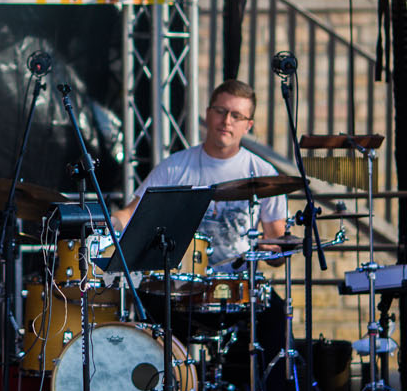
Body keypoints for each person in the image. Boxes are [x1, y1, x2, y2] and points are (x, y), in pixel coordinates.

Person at [111, 79, 288, 267]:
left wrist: (274, 251)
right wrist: (106, 224)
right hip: (182, 279)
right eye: (220, 111)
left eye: (236, 116)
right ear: (208, 113)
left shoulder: (263, 173)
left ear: (248, 126)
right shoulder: (174, 166)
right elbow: (131, 215)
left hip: (240, 281)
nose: (226, 121)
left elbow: (277, 248)